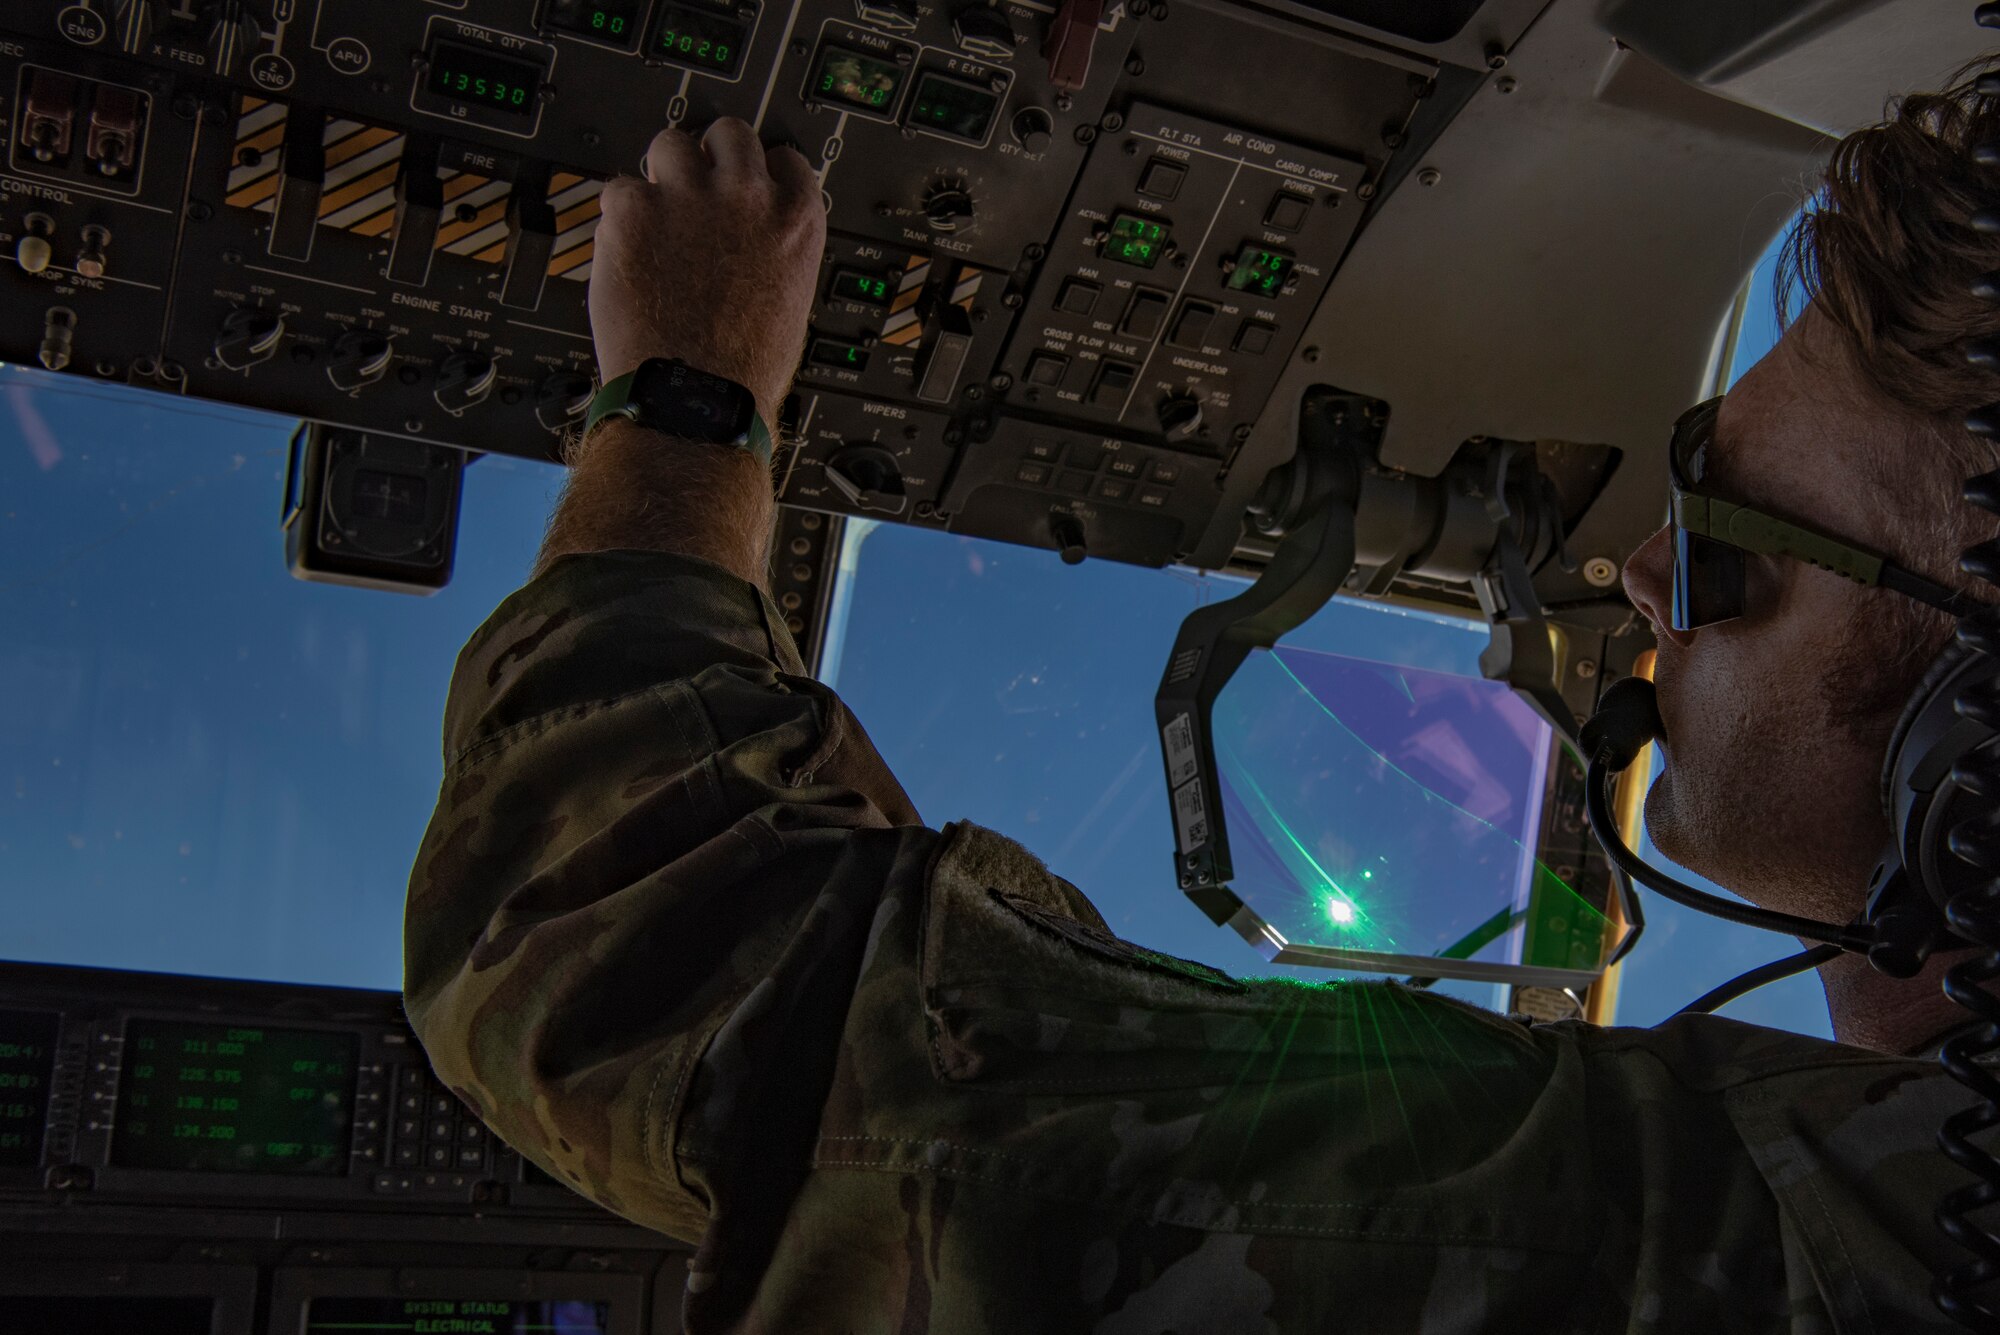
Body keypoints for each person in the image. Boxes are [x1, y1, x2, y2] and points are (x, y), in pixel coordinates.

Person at [403, 70, 2000, 1331]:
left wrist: (686, 387)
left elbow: (620, 928)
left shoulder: (1850, 1234)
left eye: (1722, 529)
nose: (1642, 577)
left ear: (1975, 743)